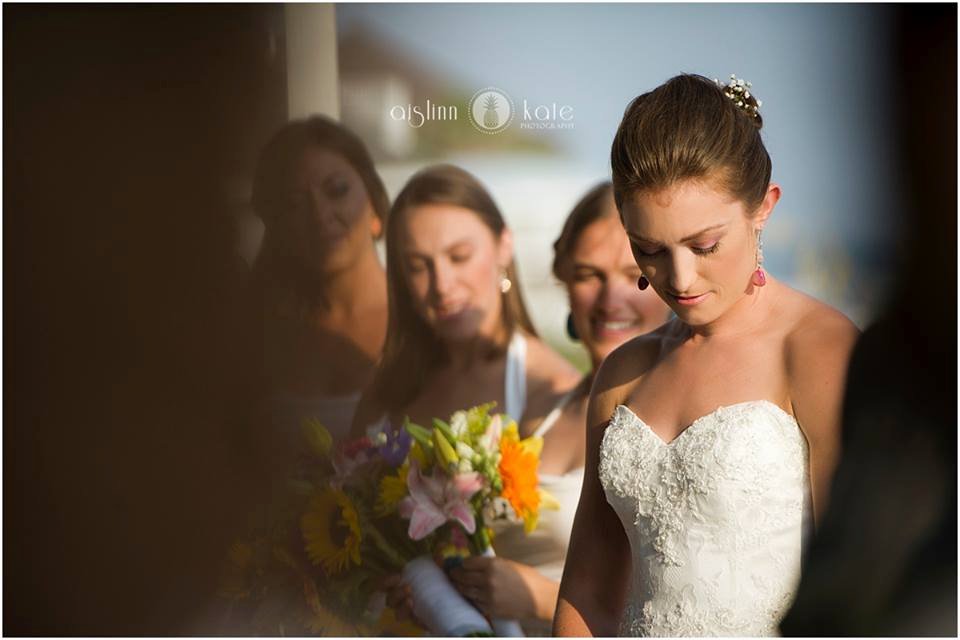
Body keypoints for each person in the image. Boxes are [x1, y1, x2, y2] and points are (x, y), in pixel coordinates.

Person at [554, 74, 860, 637]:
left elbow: (856, 592)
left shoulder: (820, 350)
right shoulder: (622, 374)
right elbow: (588, 595)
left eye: (704, 245)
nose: (679, 277)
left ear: (763, 207)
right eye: (649, 249)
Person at [351, 164, 581, 633]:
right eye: (418, 266)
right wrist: (378, 587)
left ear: (504, 246)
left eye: (459, 256)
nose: (442, 285)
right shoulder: (384, 392)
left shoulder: (554, 390)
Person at [476, 181, 672, 635]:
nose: (611, 300)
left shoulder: (684, 414)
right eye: (589, 275)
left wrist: (541, 600)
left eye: (634, 275)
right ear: (562, 275)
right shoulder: (541, 409)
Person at [250, 116, 390, 459]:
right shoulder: (259, 326)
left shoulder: (422, 315)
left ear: (374, 201)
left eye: (337, 190)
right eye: (294, 203)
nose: (319, 214)